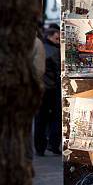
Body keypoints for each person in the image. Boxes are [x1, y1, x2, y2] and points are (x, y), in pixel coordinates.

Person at [34, 26, 62, 156]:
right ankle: (52, 144)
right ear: (53, 35)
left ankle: (40, 147)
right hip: (51, 89)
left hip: (40, 88)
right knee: (54, 118)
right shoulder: (54, 50)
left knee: (40, 119)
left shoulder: (42, 46)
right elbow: (57, 71)